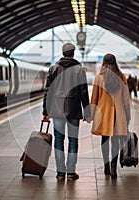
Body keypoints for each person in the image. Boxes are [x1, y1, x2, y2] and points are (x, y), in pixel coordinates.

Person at [42, 43, 91, 181]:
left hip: (57, 110)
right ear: (73, 53)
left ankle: (60, 173)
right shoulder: (78, 70)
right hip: (73, 110)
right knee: (73, 140)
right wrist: (87, 112)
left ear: (63, 53)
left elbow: (48, 92)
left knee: (58, 140)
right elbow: (83, 91)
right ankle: (71, 172)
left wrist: (45, 110)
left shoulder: (53, 69)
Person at [90, 54, 131, 179]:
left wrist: (90, 115)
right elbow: (126, 99)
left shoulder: (99, 77)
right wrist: (127, 116)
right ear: (115, 63)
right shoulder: (121, 77)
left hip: (103, 114)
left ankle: (106, 166)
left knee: (105, 140)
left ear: (103, 63)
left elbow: (94, 99)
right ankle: (114, 168)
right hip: (119, 114)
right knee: (115, 141)